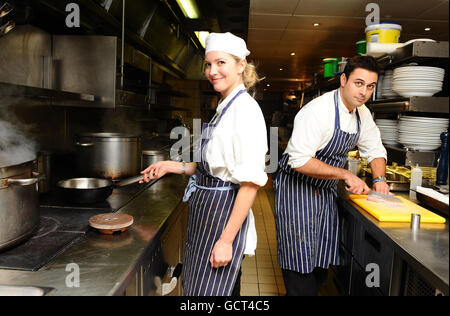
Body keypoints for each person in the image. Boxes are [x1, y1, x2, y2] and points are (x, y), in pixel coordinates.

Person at [141, 32, 268, 296]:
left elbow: (250, 184)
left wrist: (225, 241)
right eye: (209, 65)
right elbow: (210, 167)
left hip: (223, 221)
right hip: (206, 217)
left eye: (221, 63)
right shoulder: (225, 106)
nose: (212, 71)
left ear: (241, 66)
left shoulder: (245, 111)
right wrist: (170, 165)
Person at [273, 56, 389, 296]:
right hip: (297, 190)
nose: (364, 92)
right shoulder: (318, 111)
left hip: (324, 190)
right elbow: (299, 160)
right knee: (299, 261)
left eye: (370, 86)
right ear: (344, 80)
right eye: (359, 83)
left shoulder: (362, 113)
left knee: (319, 262)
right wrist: (345, 174)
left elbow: (375, 149)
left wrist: (379, 179)